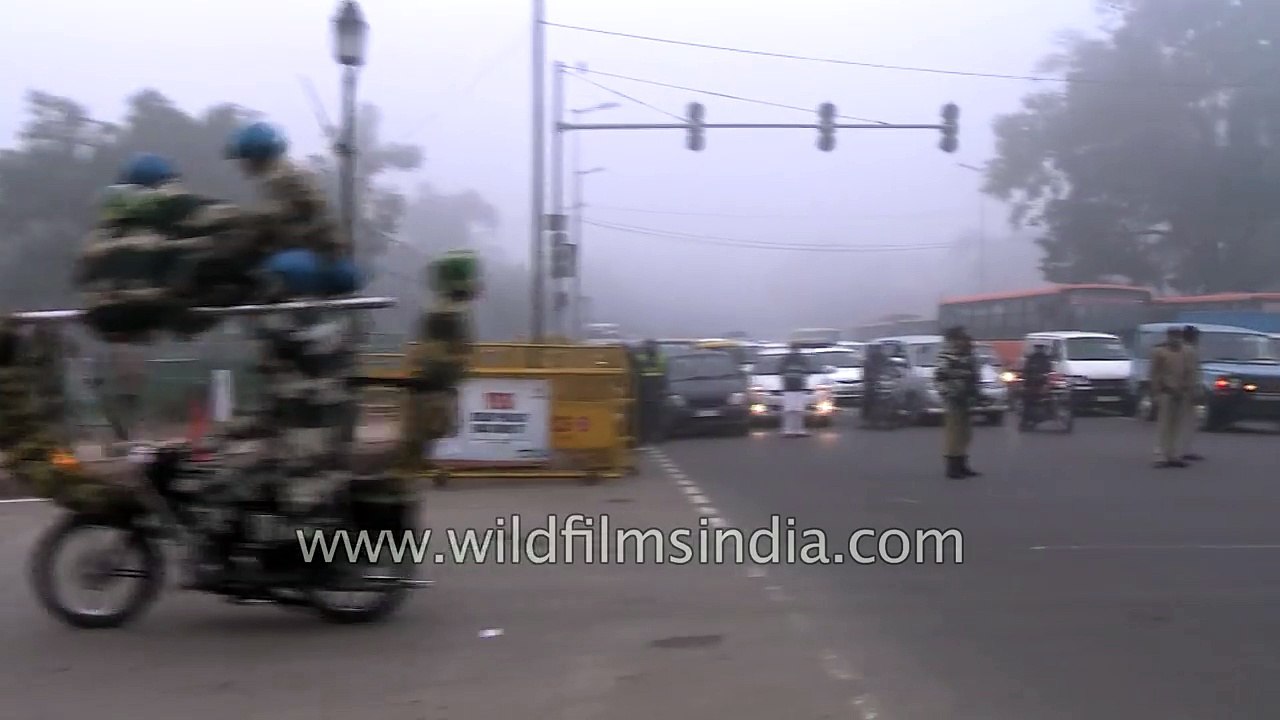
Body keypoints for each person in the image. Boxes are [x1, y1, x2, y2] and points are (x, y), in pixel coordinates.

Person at [935, 326, 982, 478]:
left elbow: (974, 377)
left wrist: (976, 393)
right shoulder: (947, 356)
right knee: (954, 434)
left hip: (966, 398)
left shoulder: (968, 356)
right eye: (961, 338)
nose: (964, 340)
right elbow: (939, 379)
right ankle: (952, 467)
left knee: (965, 434)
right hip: (953, 399)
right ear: (953, 339)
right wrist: (949, 393)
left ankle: (962, 464)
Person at [1148, 326, 1194, 468]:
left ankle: (1173, 454)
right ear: (1168, 337)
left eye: (1178, 336)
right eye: (1173, 336)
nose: (1175, 339)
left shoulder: (1187, 352)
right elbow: (1155, 374)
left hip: (1182, 393)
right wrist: (1155, 393)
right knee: (1164, 425)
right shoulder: (1160, 352)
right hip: (1166, 392)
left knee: (1177, 425)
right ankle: (1160, 455)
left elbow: (1190, 372)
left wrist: (1189, 389)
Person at [1179, 325, 1204, 462]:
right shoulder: (1188, 351)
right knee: (1186, 421)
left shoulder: (1184, 349)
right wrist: (1196, 389)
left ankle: (1183, 449)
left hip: (1183, 388)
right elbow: (1191, 372)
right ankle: (1183, 450)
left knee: (1185, 421)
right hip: (1186, 389)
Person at [636, 340, 667, 445]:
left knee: (653, 414)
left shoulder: (642, 357)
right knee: (648, 414)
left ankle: (652, 436)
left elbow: (664, 373)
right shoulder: (658, 357)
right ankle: (649, 436)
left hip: (650, 386)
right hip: (647, 387)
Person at [777, 342, 811, 437]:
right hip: (797, 386)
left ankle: (790, 431)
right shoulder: (802, 359)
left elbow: (780, 371)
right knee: (797, 410)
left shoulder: (785, 359)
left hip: (790, 387)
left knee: (791, 410)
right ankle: (797, 430)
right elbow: (807, 371)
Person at [1021, 342, 1054, 416]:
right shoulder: (1031, 358)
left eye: (1040, 348)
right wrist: (1026, 376)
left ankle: (1050, 412)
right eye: (1037, 348)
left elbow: (1049, 369)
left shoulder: (1045, 358)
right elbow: (1026, 369)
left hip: (1042, 381)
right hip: (1031, 381)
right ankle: (1026, 415)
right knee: (1026, 397)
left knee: (1050, 395)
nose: (1039, 350)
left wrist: (1044, 375)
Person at [861, 344, 886, 422]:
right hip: (872, 380)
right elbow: (867, 371)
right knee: (869, 396)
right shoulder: (869, 359)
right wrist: (870, 378)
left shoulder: (883, 358)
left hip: (881, 380)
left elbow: (888, 367)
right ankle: (868, 414)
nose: (877, 350)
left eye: (878, 348)